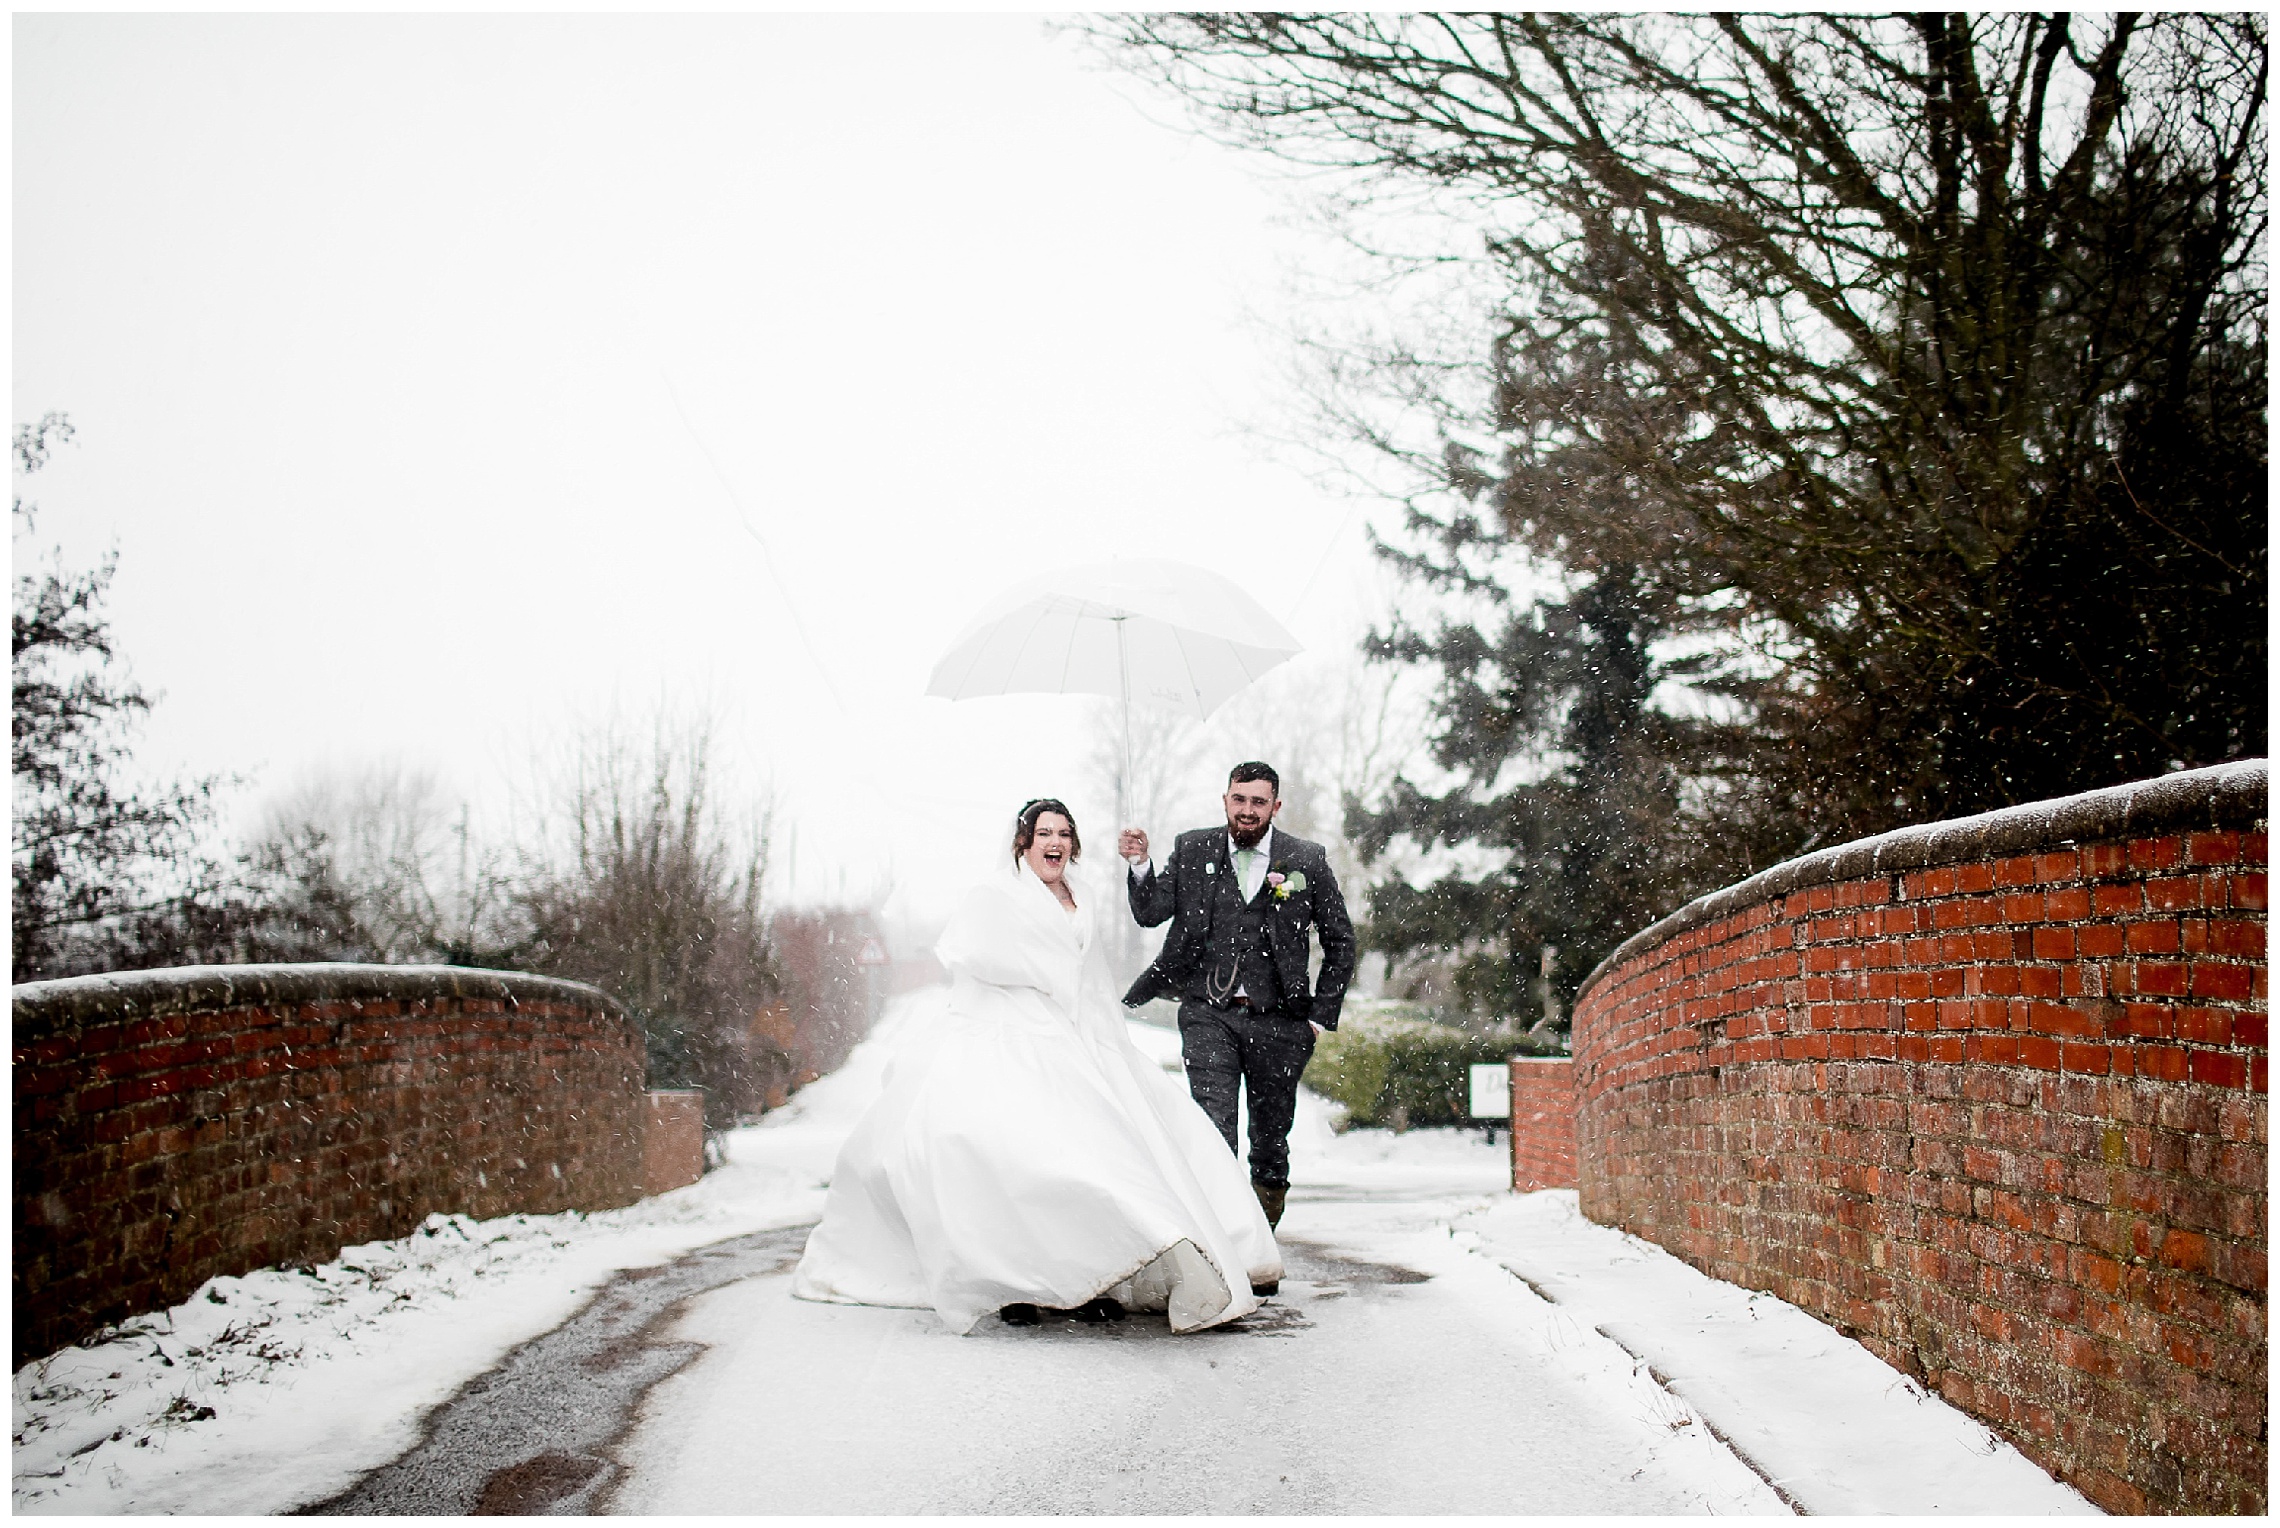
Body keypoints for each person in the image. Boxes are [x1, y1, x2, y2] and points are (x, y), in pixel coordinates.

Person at [791, 798, 1280, 1334]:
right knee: (1023, 1160)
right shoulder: (994, 896)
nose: (1055, 841)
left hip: (1081, 1039)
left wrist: (1106, 1037)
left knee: (1105, 1156)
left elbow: (1089, 974)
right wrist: (1039, 979)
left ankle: (1094, 1273)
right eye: (1044, 832)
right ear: (1023, 842)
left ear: (1074, 843)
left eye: (1064, 833)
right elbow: (974, 957)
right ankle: (1017, 1283)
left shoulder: (1084, 895)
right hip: (1013, 1037)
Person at [1118, 762, 1356, 1284]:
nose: (1247, 810)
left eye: (1258, 801)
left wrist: (1320, 1016)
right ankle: (1225, 1256)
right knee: (1213, 1131)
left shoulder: (1305, 861)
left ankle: (1261, 1246)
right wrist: (1140, 864)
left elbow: (1341, 942)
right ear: (1224, 799)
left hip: (1280, 1021)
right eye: (1238, 799)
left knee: (1270, 1142)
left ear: (1275, 806)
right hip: (1208, 1012)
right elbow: (1151, 912)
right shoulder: (1194, 848)